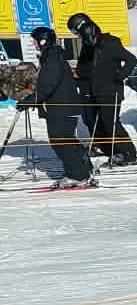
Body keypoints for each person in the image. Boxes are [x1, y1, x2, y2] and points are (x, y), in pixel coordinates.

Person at [68, 14, 137, 165]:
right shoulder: (88, 46)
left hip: (110, 90)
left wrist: (119, 76)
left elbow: (131, 60)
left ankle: (128, 152)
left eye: (76, 32)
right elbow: (89, 68)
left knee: (110, 122)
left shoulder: (110, 43)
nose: (77, 36)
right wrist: (78, 73)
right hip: (93, 89)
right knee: (92, 120)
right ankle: (105, 148)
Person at [28, 26, 93, 187]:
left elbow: (47, 86)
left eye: (35, 41)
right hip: (62, 107)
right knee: (66, 140)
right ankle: (84, 168)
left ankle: (78, 175)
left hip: (61, 108)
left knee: (60, 142)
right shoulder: (52, 57)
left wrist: (30, 100)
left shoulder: (52, 59)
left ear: (43, 41)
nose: (34, 44)